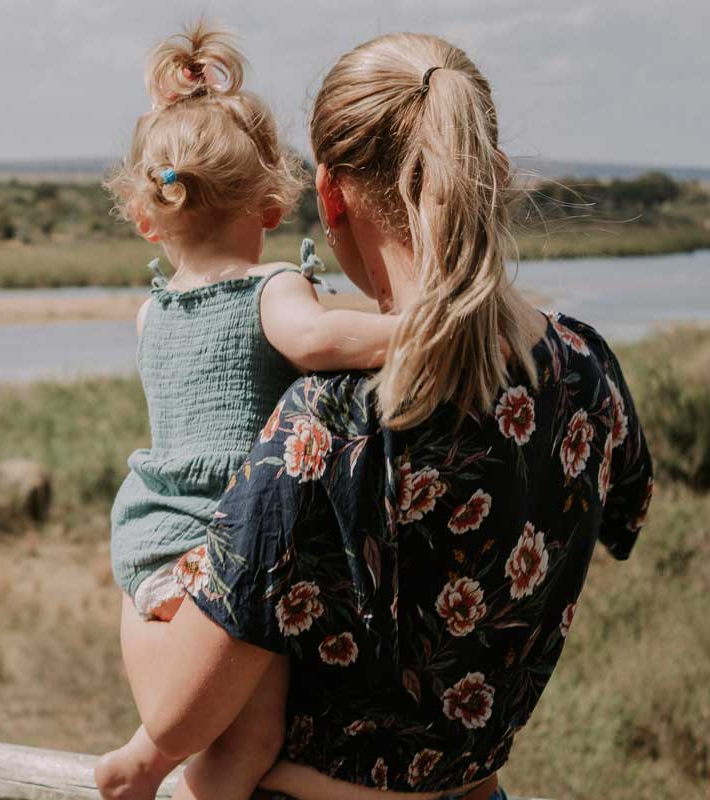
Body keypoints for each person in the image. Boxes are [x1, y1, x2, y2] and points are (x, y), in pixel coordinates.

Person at [121, 32, 655, 800]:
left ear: (331, 196)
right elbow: (624, 516)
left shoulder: (326, 420)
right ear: (489, 177)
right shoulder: (586, 367)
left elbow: (175, 708)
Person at [94, 21, 401, 800]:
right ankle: (157, 767)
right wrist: (417, 330)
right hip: (235, 539)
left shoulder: (150, 313)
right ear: (271, 205)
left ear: (146, 216)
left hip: (151, 530)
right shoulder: (272, 287)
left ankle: (145, 749)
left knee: (193, 702)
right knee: (252, 738)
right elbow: (320, 339)